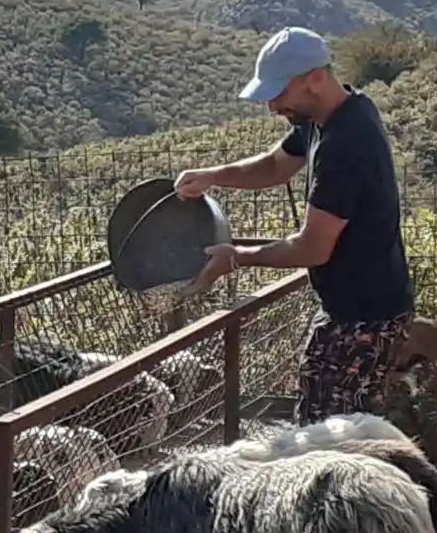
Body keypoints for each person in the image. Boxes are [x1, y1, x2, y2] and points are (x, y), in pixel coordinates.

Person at [175, 26, 414, 423]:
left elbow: (313, 247)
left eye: (278, 93)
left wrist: (236, 258)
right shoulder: (332, 114)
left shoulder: (346, 145)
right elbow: (274, 165)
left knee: (328, 435)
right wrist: (212, 175)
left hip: (364, 319)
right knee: (335, 422)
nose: (271, 107)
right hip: (358, 308)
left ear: (315, 79)